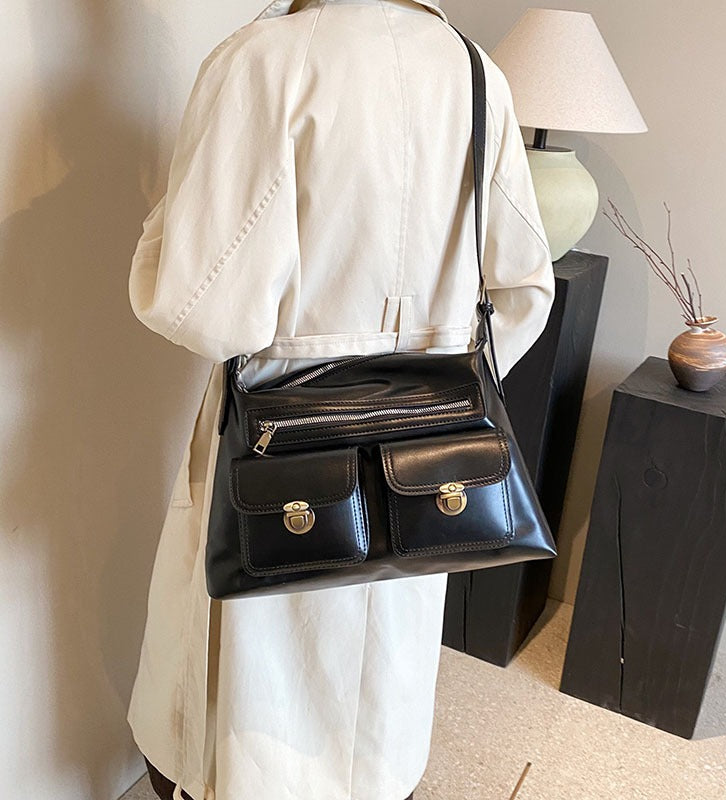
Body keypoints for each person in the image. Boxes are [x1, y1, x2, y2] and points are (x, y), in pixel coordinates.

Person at [126, 1, 554, 798]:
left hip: (282, 434)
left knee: (257, 695)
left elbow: (201, 305)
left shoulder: (265, 59)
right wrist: (427, 379)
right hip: (424, 452)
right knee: (381, 677)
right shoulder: (471, 69)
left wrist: (165, 223)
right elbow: (524, 290)